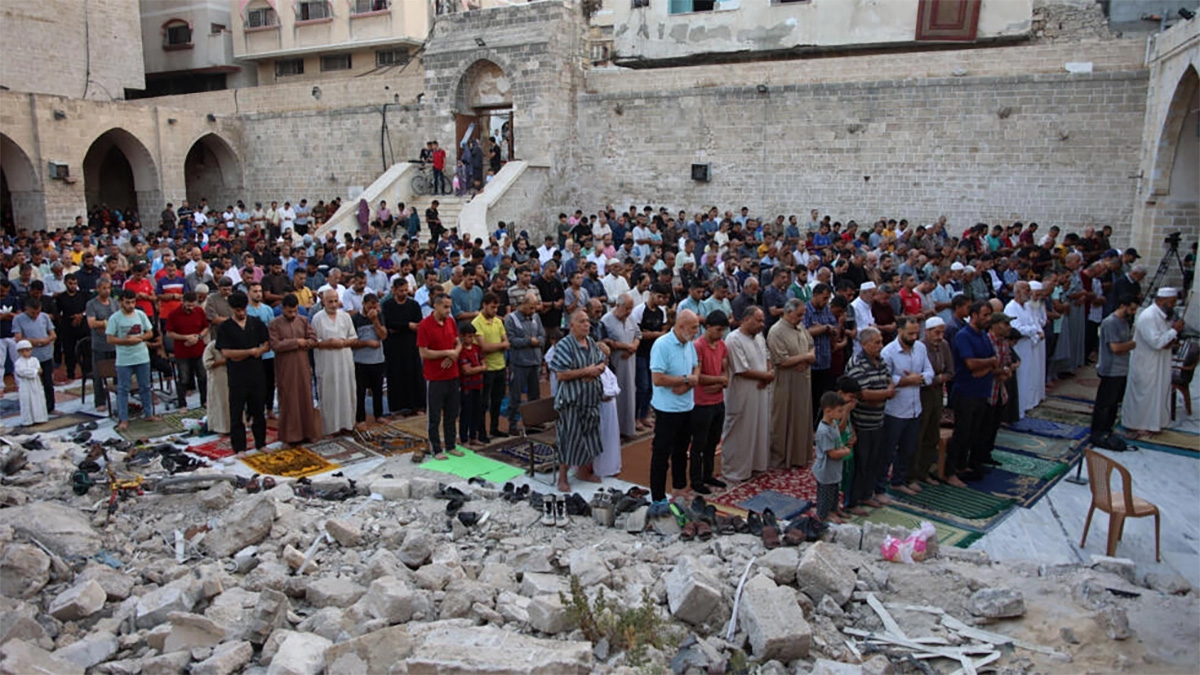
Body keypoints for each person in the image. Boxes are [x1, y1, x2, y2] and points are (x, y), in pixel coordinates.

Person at [549, 309, 608, 493]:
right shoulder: (565, 345)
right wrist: (585, 372)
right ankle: (563, 478)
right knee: (568, 439)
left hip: (590, 399)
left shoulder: (591, 342)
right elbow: (561, 374)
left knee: (589, 437)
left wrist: (596, 371)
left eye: (588, 321)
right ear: (572, 325)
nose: (586, 324)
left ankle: (583, 472)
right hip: (571, 401)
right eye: (582, 321)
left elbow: (602, 362)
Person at [647, 309, 701, 510]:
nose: (697, 331)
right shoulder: (662, 345)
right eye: (693, 327)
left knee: (681, 452)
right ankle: (658, 497)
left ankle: (679, 488)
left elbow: (696, 367)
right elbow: (658, 378)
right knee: (661, 454)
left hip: (687, 407)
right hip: (667, 410)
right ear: (680, 326)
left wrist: (689, 382)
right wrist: (686, 379)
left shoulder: (689, 344)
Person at [880, 316, 934, 496]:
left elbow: (929, 372)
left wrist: (918, 379)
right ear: (900, 331)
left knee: (908, 448)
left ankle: (899, 481)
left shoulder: (920, 348)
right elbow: (885, 379)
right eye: (910, 333)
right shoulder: (888, 352)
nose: (913, 337)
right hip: (895, 410)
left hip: (914, 408)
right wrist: (906, 380)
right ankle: (879, 486)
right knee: (887, 451)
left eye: (915, 333)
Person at [945, 301, 996, 486]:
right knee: (961, 433)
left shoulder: (983, 335)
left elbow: (993, 361)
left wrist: (988, 365)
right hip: (966, 391)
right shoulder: (963, 336)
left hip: (982, 390)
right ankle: (949, 471)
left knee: (974, 432)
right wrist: (989, 362)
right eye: (985, 315)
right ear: (974, 315)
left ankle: (961, 465)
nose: (988, 319)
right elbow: (971, 364)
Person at [1122, 288, 1184, 436]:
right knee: (1144, 395)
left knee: (1156, 395)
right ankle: (1137, 424)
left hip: (1159, 362)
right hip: (1147, 363)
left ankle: (1153, 423)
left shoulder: (1162, 315)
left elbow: (1164, 339)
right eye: (1171, 302)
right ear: (1161, 300)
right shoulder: (1149, 316)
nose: (1173, 306)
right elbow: (1156, 343)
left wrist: (1173, 337)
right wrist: (1174, 331)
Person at [722, 306, 773, 484]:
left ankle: (756, 465)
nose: (762, 325)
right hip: (742, 392)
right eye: (758, 321)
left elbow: (767, 356)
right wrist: (766, 376)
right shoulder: (733, 339)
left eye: (762, 321)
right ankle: (735, 470)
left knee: (759, 428)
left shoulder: (759, 336)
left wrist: (769, 373)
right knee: (739, 432)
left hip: (760, 390)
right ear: (746, 320)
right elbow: (741, 369)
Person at [844, 326, 894, 508]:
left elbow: (889, 382)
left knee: (874, 460)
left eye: (881, 342)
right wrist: (886, 394)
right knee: (860, 463)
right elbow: (864, 394)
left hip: (878, 420)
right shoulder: (858, 362)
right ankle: (853, 500)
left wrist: (884, 393)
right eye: (877, 342)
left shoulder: (879, 360)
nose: (881, 346)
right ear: (864, 344)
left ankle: (867, 494)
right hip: (862, 421)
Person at [216, 292, 270, 454]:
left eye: (243, 310)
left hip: (256, 373)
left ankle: (261, 443)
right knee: (237, 412)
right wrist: (249, 352)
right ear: (232, 309)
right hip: (237, 376)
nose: (241, 313)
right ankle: (239, 447)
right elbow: (226, 352)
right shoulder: (225, 327)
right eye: (237, 310)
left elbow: (266, 344)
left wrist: (259, 351)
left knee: (258, 410)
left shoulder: (256, 323)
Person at [767, 298, 816, 469]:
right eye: (799, 314)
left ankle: (799, 456)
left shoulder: (800, 327)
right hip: (786, 382)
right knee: (783, 420)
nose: (802, 318)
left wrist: (808, 357)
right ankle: (781, 458)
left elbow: (811, 345)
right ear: (788, 312)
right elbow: (780, 360)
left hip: (803, 380)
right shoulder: (776, 332)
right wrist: (804, 358)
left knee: (801, 418)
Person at [269, 294, 321, 446]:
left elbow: (313, 339)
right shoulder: (275, 323)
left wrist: (306, 343)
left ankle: (308, 433)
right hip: (285, 367)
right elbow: (275, 345)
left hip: (303, 366)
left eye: (295, 311)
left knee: (305, 397)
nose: (293, 314)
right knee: (289, 400)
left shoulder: (303, 320)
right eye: (289, 312)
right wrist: (296, 342)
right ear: (283, 309)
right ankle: (290, 437)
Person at [106, 290, 159, 430]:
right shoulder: (115, 318)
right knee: (123, 389)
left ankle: (148, 413)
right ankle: (123, 419)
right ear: (121, 302)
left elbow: (150, 332)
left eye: (133, 302)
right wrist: (125, 341)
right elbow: (110, 338)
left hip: (142, 356)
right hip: (124, 359)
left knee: (145, 387)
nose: (130, 305)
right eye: (127, 302)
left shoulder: (140, 315)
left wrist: (139, 338)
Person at [417, 293, 462, 460]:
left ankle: (451, 445)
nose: (448, 310)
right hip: (435, 377)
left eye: (450, 307)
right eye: (445, 307)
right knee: (434, 415)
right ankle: (436, 448)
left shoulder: (451, 321)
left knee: (452, 413)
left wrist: (453, 354)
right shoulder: (424, 325)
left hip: (452, 374)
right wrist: (446, 353)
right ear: (435, 306)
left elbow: (458, 343)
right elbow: (424, 352)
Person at [690, 309, 730, 495]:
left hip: (717, 399)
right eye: (718, 330)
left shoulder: (721, 345)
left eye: (722, 330)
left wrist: (722, 380)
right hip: (702, 401)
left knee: (713, 441)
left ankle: (707, 474)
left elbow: (725, 369)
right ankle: (696, 479)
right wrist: (719, 381)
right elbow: (698, 376)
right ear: (707, 327)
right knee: (699, 443)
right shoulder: (698, 346)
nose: (720, 334)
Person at [1090, 295, 1138, 444]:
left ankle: (1107, 429)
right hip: (1111, 369)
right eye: (1131, 309)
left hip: (1122, 368)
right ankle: (1098, 431)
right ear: (1122, 306)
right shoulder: (1110, 322)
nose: (1133, 312)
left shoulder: (1125, 322)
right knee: (1105, 403)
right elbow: (1115, 347)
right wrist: (1133, 344)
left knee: (1114, 403)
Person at [312, 289, 358, 436]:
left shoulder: (345, 316)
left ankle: (348, 425)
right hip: (327, 362)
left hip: (345, 361)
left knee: (347, 391)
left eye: (335, 301)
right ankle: (331, 428)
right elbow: (314, 342)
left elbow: (354, 337)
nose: (333, 304)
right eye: (329, 301)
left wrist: (343, 342)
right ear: (323, 302)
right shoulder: (317, 318)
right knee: (330, 394)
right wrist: (329, 343)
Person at [914, 317, 954, 485]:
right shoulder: (920, 347)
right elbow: (922, 377)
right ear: (927, 332)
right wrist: (936, 378)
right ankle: (913, 473)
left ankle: (925, 471)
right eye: (936, 332)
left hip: (937, 394)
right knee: (919, 434)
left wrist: (936, 378)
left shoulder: (944, 345)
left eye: (942, 332)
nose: (940, 336)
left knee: (932, 434)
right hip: (922, 395)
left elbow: (950, 371)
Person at [504, 294, 546, 434]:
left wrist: (533, 340)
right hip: (519, 363)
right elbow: (512, 341)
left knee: (535, 395)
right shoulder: (511, 319)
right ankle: (513, 424)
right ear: (522, 303)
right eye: (531, 307)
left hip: (535, 361)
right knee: (515, 396)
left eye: (535, 307)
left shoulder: (536, 317)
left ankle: (533, 422)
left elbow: (542, 336)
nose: (533, 310)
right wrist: (529, 341)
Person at [383, 278, 425, 416]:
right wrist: (407, 325)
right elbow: (389, 324)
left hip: (411, 345)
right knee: (396, 375)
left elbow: (418, 324)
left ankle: (417, 406)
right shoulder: (388, 305)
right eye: (401, 291)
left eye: (406, 290)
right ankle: (397, 407)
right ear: (394, 290)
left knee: (414, 374)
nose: (404, 293)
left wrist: (403, 327)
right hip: (394, 346)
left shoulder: (413, 305)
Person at [600, 294, 640, 439]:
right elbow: (605, 342)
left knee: (630, 393)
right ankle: (615, 431)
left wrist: (633, 347)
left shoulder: (630, 319)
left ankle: (628, 428)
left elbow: (638, 334)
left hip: (630, 361)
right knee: (616, 395)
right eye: (627, 308)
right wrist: (624, 346)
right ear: (618, 306)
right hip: (616, 362)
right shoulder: (606, 320)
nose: (629, 311)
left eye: (631, 308)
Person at [472, 292, 509, 441]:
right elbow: (484, 347)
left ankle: (494, 428)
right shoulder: (477, 323)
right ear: (484, 305)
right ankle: (481, 432)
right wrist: (500, 345)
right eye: (492, 308)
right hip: (486, 368)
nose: (495, 311)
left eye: (496, 308)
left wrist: (498, 346)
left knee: (497, 400)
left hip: (500, 366)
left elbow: (507, 342)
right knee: (483, 402)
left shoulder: (498, 322)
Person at [1005, 281, 1044, 417]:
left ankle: (1027, 404)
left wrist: (1035, 332)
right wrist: (1033, 331)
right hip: (1019, 346)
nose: (1029, 293)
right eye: (1026, 290)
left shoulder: (1027, 307)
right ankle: (1018, 409)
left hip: (1030, 345)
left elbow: (1034, 321)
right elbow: (1015, 328)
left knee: (1029, 376)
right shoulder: (1011, 307)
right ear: (1017, 292)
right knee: (1020, 377)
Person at [164, 291, 209, 409]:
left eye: (193, 305)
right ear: (182, 302)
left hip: (198, 350)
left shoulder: (199, 311)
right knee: (183, 378)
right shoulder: (174, 314)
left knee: (203, 376)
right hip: (182, 352)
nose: (191, 308)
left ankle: (204, 401)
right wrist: (185, 337)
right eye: (188, 305)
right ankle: (182, 404)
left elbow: (205, 328)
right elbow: (169, 333)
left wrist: (198, 337)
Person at [13, 297, 56, 415]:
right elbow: (18, 338)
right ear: (27, 309)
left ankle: (50, 407)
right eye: (33, 313)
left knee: (48, 382)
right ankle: (34, 410)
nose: (36, 315)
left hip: (46, 353)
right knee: (32, 385)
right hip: (30, 356)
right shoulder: (18, 319)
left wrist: (46, 340)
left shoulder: (44, 317)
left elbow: (53, 334)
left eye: (38, 312)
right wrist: (35, 342)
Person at [814, 391, 851, 523]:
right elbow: (832, 453)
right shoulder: (824, 431)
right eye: (839, 411)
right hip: (826, 469)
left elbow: (837, 441)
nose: (841, 414)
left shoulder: (833, 424)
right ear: (828, 411)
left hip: (834, 469)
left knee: (835, 491)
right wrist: (846, 452)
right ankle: (824, 514)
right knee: (826, 494)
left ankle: (834, 510)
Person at [352, 293, 387, 427]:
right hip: (360, 361)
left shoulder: (379, 316)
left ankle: (379, 415)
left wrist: (375, 321)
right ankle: (360, 418)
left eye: (375, 306)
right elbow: (352, 341)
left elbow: (383, 335)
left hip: (377, 360)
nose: (372, 309)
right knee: (360, 391)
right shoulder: (356, 319)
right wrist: (367, 343)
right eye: (369, 306)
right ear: (363, 304)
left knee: (377, 390)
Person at [85, 278, 120, 411]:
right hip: (99, 344)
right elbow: (92, 323)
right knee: (98, 374)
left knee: (118, 371)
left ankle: (119, 397)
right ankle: (100, 401)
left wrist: (104, 324)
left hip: (114, 343)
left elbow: (118, 320)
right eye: (104, 288)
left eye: (108, 288)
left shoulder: (114, 303)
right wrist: (106, 323)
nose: (107, 290)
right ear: (98, 289)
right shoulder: (91, 304)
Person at [246, 283, 277, 418]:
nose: (258, 294)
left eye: (260, 291)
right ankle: (253, 412)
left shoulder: (267, 309)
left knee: (269, 383)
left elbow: (272, 329)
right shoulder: (246, 311)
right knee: (254, 385)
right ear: (249, 293)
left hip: (269, 353)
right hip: (254, 353)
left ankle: (269, 409)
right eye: (255, 291)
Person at [457, 323, 486, 448]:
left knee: (476, 411)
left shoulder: (476, 348)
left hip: (478, 385)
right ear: (462, 336)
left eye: (472, 336)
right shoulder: (461, 351)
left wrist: (477, 368)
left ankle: (474, 436)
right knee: (466, 412)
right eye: (469, 336)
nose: (471, 339)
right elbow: (466, 370)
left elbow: (485, 365)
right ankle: (464, 438)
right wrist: (480, 368)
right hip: (466, 386)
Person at [594, 365, 623, 478]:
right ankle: (601, 468)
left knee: (611, 435)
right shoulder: (593, 370)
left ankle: (612, 466)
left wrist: (612, 392)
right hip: (599, 406)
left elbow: (615, 384)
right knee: (602, 435)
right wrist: (605, 394)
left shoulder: (606, 369)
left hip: (610, 406)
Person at [15, 340, 47, 426]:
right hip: (25, 385)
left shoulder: (35, 360)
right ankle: (28, 421)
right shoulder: (18, 362)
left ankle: (40, 418)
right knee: (27, 402)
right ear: (19, 352)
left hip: (35, 384)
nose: (25, 353)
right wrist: (34, 371)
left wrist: (35, 371)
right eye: (23, 351)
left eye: (27, 350)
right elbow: (21, 372)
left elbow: (40, 370)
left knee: (38, 400)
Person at [202, 341, 229, 434]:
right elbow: (207, 364)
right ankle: (220, 428)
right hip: (217, 377)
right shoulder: (212, 346)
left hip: (232, 376)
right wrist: (223, 361)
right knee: (219, 403)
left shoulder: (233, 342)